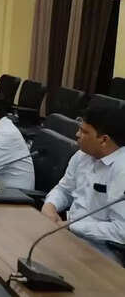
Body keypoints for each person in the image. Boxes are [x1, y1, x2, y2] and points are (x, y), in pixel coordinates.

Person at [41, 105, 125, 261]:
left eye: (84, 132)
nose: (77, 134)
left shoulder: (122, 170)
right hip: (66, 235)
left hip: (101, 251)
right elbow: (64, 189)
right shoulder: (82, 155)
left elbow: (121, 230)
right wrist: (50, 206)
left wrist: (72, 226)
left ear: (104, 140)